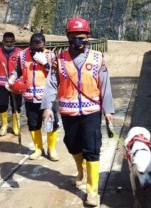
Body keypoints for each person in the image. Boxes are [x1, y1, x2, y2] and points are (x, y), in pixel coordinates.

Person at [41, 17, 114, 206]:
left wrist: (108, 110)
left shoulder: (98, 58)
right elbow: (51, 84)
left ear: (87, 37)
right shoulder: (60, 60)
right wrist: (48, 107)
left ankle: (92, 191)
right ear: (67, 37)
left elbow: (105, 85)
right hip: (68, 111)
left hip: (92, 111)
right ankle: (80, 169)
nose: (77, 41)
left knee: (92, 148)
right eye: (73, 37)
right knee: (72, 145)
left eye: (81, 37)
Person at [8, 33, 59, 161]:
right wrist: (12, 78)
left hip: (47, 98)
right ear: (30, 45)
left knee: (49, 123)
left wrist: (45, 64)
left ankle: (51, 149)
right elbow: (17, 70)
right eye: (35, 49)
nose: (38, 51)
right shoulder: (22, 55)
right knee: (33, 124)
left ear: (45, 45)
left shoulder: (50, 55)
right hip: (30, 96)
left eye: (40, 48)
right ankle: (38, 149)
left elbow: (56, 74)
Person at [0, 32, 22, 136]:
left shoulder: (20, 53)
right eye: (6, 42)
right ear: (3, 41)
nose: (9, 44)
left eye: (11, 42)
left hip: (15, 84)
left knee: (16, 105)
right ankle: (4, 125)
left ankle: (16, 125)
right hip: (1, 83)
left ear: (14, 42)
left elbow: (23, 69)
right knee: (1, 104)